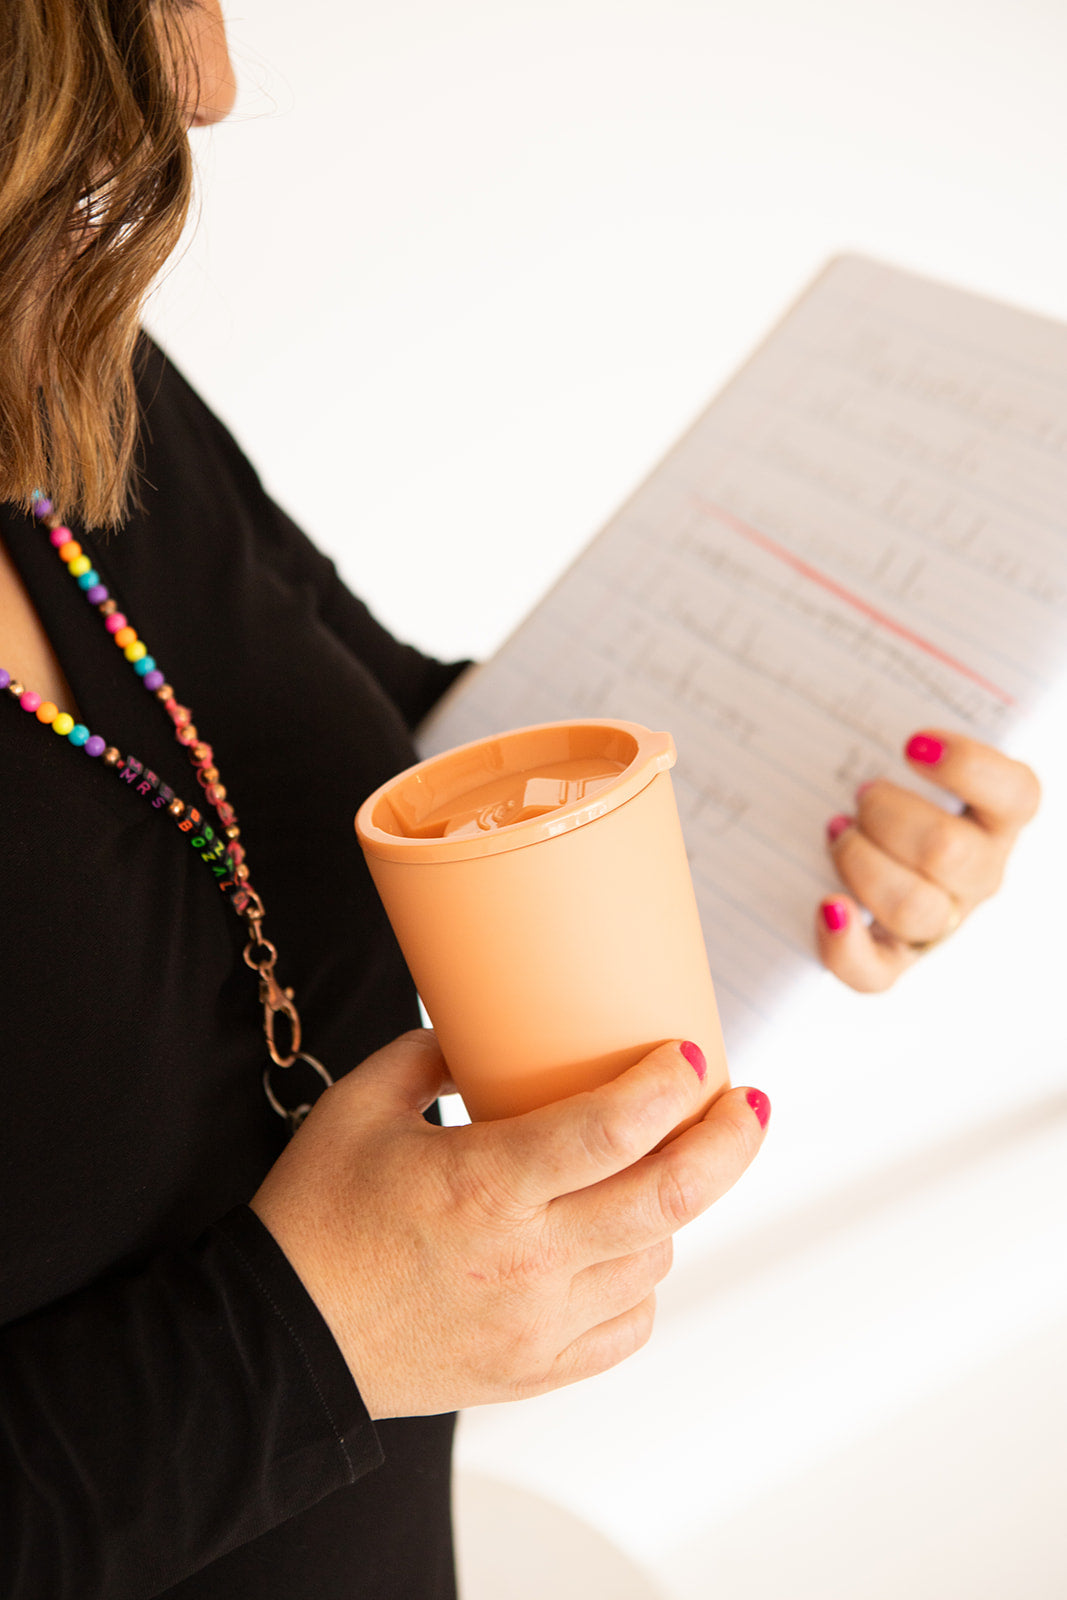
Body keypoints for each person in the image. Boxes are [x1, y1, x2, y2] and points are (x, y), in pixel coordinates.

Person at [0, 3, 1042, 1597]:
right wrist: (308, 1336)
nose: (209, 81)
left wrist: (790, 778)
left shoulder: (46, 371)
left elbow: (367, 745)